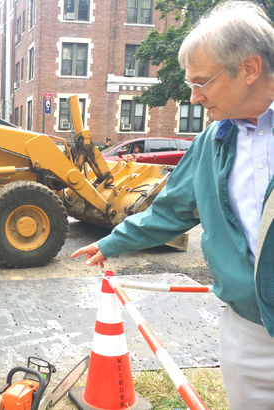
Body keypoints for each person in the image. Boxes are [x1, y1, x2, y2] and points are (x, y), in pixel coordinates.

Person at [72, 2, 274, 408]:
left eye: (202, 82)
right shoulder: (210, 144)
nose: (194, 97)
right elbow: (170, 211)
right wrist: (111, 243)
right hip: (248, 334)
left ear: (250, 69)